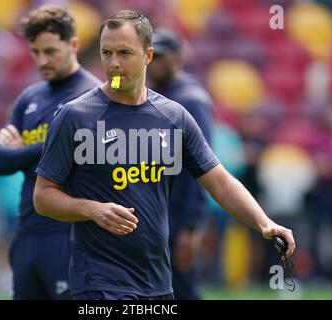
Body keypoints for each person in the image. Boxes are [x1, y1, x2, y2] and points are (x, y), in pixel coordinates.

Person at [33, 10, 295, 300]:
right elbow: (43, 196)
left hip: (158, 283)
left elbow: (219, 182)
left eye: (124, 52)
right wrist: (92, 210)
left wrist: (264, 222)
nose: (114, 63)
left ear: (147, 55)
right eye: (107, 52)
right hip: (98, 282)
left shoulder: (173, 116)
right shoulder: (74, 116)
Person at [0, 4, 100, 300]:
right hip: (27, 232)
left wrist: (24, 150)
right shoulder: (30, 97)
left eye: (50, 51)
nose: (42, 60)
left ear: (73, 44)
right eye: (35, 52)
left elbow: (78, 154)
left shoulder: (93, 96)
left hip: (70, 234)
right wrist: (50, 146)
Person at [147, 28, 214, 300]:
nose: (156, 63)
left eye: (162, 56)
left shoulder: (189, 99)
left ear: (177, 57)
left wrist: (191, 226)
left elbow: (201, 166)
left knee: (181, 290)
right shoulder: (159, 94)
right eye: (153, 56)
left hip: (176, 218)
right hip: (159, 214)